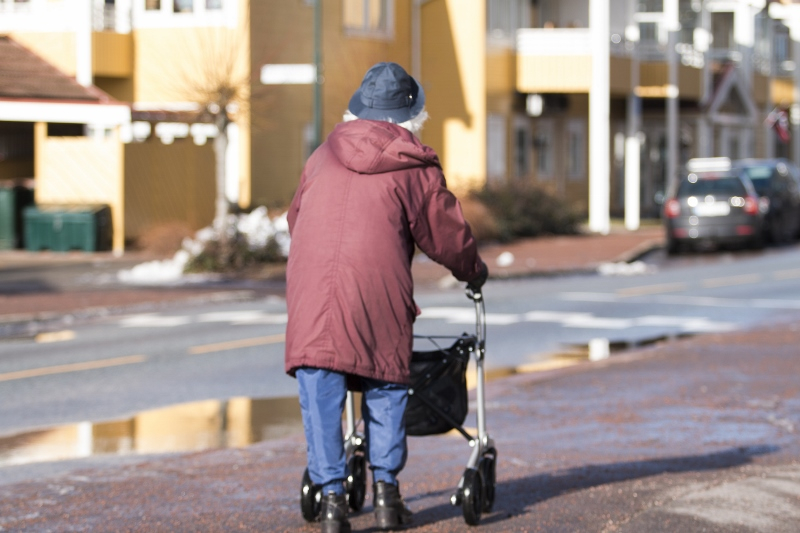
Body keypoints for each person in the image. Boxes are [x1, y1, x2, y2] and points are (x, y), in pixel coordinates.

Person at [284, 61, 488, 533]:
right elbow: (446, 235)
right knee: (385, 384)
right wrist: (473, 271)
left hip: (313, 290)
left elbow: (296, 220)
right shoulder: (411, 165)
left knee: (319, 388)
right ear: (411, 114)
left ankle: (332, 500)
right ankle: (386, 495)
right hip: (378, 289)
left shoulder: (321, 156)